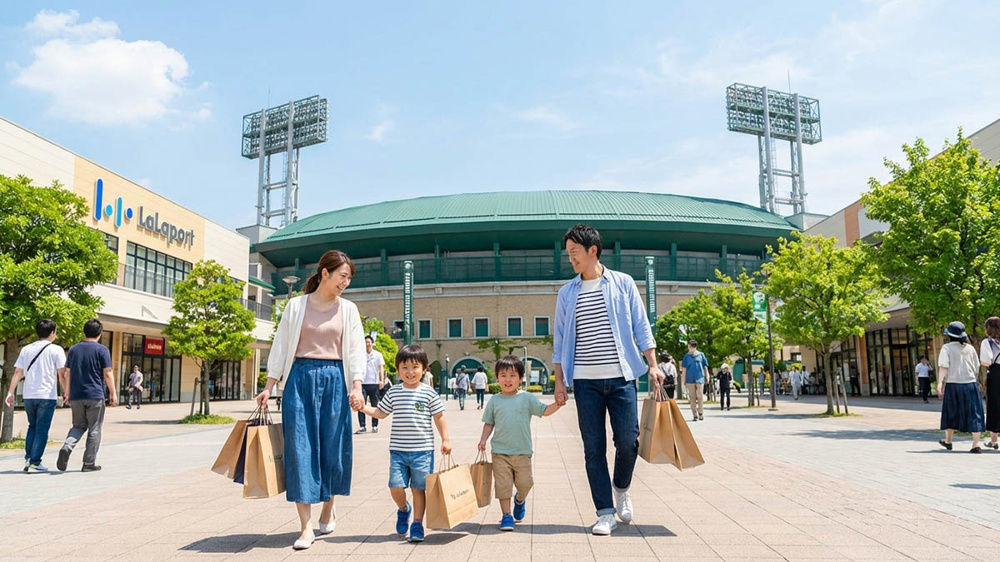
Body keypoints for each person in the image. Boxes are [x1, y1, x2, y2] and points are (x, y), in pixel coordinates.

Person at [551, 224, 663, 536]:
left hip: (622, 377)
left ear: (593, 251)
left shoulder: (623, 284)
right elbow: (559, 341)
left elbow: (641, 326)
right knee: (593, 447)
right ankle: (604, 512)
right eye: (569, 253)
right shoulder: (567, 293)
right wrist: (560, 382)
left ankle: (621, 487)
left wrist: (652, 365)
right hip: (585, 381)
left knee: (628, 441)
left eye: (575, 252)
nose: (571, 258)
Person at [256, 250, 367, 550]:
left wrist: (356, 386)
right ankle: (305, 527)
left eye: (349, 278)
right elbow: (280, 348)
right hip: (299, 380)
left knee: (333, 449)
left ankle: (328, 508)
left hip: (335, 379)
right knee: (299, 449)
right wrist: (269, 386)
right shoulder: (296, 306)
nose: (346, 282)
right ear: (324, 273)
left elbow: (356, 350)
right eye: (342, 276)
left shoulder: (349, 310)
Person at [353, 344, 451, 543]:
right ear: (398, 370)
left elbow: (439, 417)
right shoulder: (394, 392)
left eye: (415, 367)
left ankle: (417, 524)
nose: (410, 372)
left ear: (424, 369)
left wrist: (446, 439)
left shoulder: (429, 393)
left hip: (423, 451)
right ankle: (403, 509)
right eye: (404, 367)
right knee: (395, 486)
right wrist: (363, 408)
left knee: (418, 488)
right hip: (398, 451)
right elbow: (381, 413)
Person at [478, 355, 562, 531]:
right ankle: (506, 516)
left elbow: (544, 411)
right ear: (497, 377)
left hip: (522, 451)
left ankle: (520, 500)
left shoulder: (527, 398)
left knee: (526, 483)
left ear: (521, 378)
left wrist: (558, 404)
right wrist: (483, 439)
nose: (508, 380)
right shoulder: (494, 400)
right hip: (500, 452)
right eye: (503, 375)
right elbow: (489, 423)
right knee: (503, 486)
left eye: (512, 375)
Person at [4, 319, 67, 473]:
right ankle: (35, 462)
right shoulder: (56, 350)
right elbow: (62, 374)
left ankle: (29, 458)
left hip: (29, 395)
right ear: (52, 333)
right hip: (46, 395)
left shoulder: (26, 349)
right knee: (41, 429)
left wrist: (10, 392)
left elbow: (18, 372)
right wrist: (66, 391)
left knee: (32, 427)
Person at [57, 319, 115, 473]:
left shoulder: (74, 350)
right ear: (100, 333)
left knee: (78, 426)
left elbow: (67, 372)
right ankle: (88, 463)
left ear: (84, 331)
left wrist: (67, 392)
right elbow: (108, 373)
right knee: (94, 428)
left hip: (76, 395)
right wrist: (113, 393)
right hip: (95, 394)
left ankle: (67, 447)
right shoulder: (102, 350)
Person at [937, 321, 985, 454]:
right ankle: (975, 445)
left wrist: (940, 383)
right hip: (970, 384)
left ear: (950, 335)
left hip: (953, 384)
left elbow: (943, 367)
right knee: (974, 413)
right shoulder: (970, 348)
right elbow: (976, 366)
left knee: (951, 411)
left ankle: (948, 441)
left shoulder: (946, 348)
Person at [356, 336, 385, 434]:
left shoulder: (378, 355)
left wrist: (381, 381)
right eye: (365, 342)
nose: (367, 344)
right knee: (361, 405)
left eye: (369, 342)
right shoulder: (360, 355)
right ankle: (362, 426)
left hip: (374, 383)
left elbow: (381, 368)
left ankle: (375, 425)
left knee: (374, 405)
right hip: (363, 383)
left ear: (372, 343)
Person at [980, 317, 1000, 449]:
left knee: (994, 405)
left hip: (996, 374)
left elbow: (986, 360)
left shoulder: (987, 342)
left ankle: (994, 440)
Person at [680, 340, 709, 422]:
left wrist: (707, 376)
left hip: (699, 377)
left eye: (692, 346)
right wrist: (684, 379)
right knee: (692, 397)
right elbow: (684, 369)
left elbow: (705, 367)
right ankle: (695, 414)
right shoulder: (686, 356)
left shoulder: (701, 355)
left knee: (700, 395)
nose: (691, 348)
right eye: (690, 346)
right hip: (690, 379)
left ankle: (701, 413)